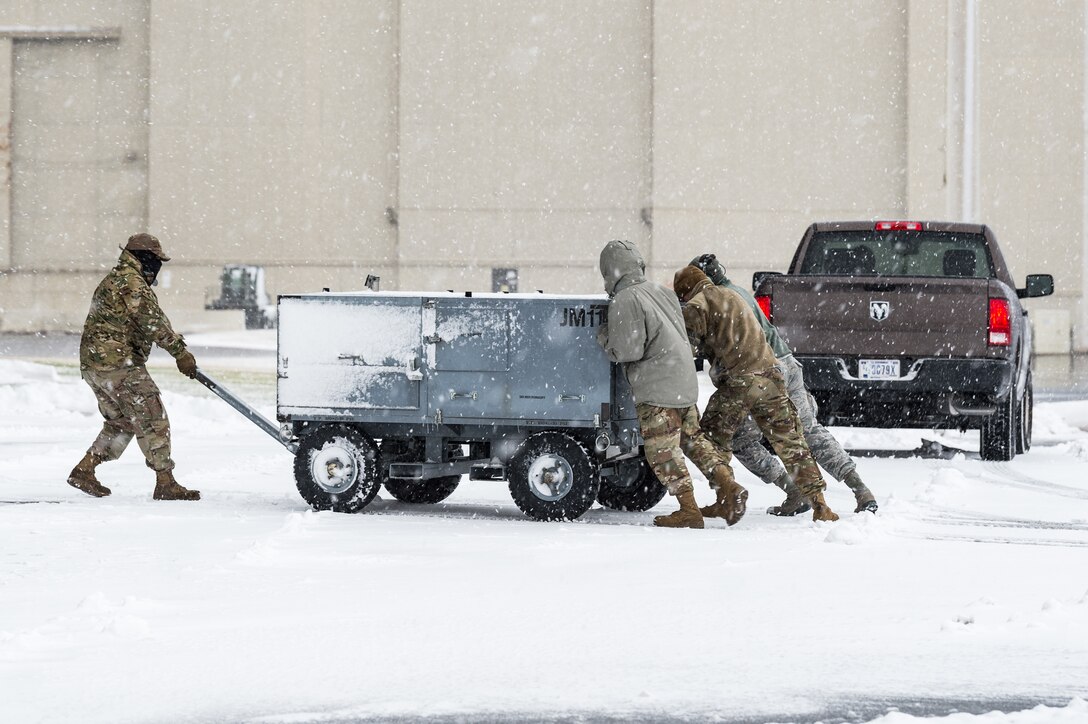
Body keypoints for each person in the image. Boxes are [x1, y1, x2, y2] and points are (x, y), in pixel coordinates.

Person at [691, 253, 877, 515]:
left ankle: (793, 490)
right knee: (808, 431)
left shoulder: (717, 301)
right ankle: (860, 490)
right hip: (787, 363)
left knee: (739, 439)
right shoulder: (739, 291)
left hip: (760, 374)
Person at [673, 265, 839, 522]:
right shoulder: (734, 294)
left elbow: (685, 351)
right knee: (791, 442)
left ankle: (725, 496)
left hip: (740, 381)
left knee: (711, 439)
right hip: (772, 375)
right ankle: (821, 505)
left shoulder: (696, 306)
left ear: (683, 292)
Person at [596, 240, 743, 528]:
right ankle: (728, 485)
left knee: (662, 450)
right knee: (694, 440)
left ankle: (688, 509)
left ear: (609, 271)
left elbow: (627, 351)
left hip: (656, 388)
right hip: (682, 382)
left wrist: (604, 335)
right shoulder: (662, 291)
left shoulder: (625, 299)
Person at [66, 233, 201, 501]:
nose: (158, 267)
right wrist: (180, 353)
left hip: (95, 365)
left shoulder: (116, 278)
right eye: (156, 260)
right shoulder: (131, 282)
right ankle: (165, 482)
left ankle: (85, 469)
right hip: (117, 364)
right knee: (153, 418)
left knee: (122, 421)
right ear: (145, 258)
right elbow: (152, 322)